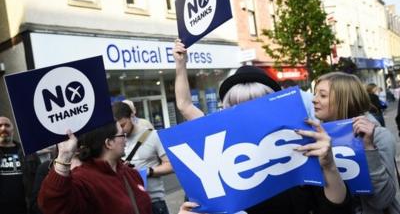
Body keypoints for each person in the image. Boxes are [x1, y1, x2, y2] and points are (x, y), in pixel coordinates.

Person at [173, 39, 352, 214]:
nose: (248, 114)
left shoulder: (297, 143)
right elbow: (184, 105)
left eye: (256, 104)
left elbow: (335, 207)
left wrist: (329, 167)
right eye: (238, 107)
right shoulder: (212, 155)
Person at [313, 72, 400, 213]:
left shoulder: (379, 137)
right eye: (315, 94)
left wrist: (369, 148)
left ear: (345, 100)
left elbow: (383, 200)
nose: (314, 100)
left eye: (322, 95)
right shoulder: (316, 136)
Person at [38, 122, 152, 214]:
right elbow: (52, 206)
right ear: (109, 143)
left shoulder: (131, 174)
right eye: (122, 135)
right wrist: (64, 156)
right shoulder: (82, 179)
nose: (125, 139)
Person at [113, 102, 173, 214]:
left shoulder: (153, 136)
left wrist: (147, 172)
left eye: (123, 125)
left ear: (131, 116)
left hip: (154, 202)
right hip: (130, 203)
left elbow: (171, 165)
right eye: (117, 127)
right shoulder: (116, 140)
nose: (121, 130)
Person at [0, 116, 40, 214]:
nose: (3, 128)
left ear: (13, 130)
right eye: (0, 126)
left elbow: (40, 180)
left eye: (7, 125)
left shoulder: (29, 152)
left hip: (27, 209)